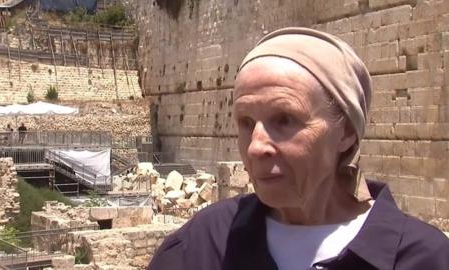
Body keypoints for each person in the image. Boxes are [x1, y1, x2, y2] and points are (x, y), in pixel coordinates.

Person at [148, 27, 449, 270]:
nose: (255, 147)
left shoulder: (425, 258)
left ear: (345, 132)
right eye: (246, 123)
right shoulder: (203, 244)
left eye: (284, 120)